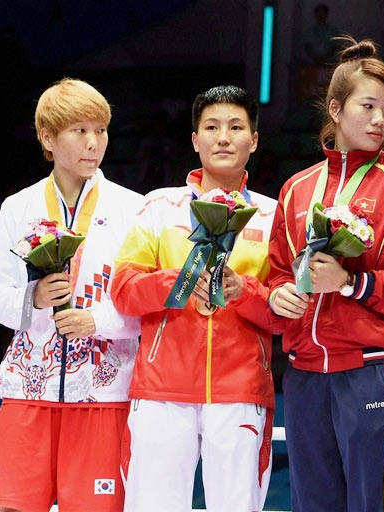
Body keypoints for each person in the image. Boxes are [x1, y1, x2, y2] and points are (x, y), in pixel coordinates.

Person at [268, 38, 384, 511]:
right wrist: (279, 298)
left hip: (372, 368)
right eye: (368, 106)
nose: (380, 120)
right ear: (336, 108)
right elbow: (278, 274)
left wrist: (350, 282)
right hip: (304, 375)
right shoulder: (295, 189)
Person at [111, 85, 276, 512]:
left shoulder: (273, 216)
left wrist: (244, 291)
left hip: (240, 390)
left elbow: (285, 313)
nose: (223, 137)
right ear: (195, 139)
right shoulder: (159, 207)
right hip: (162, 390)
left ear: (254, 140)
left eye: (236, 127)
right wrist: (176, 281)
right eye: (212, 127)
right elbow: (124, 291)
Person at [0, 78, 141, 512]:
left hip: (104, 394)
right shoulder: (17, 207)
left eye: (100, 130)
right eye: (79, 131)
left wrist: (95, 321)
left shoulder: (132, 208)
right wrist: (34, 297)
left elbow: (142, 308)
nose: (93, 143)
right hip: (27, 389)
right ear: (47, 137)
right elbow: (1, 298)